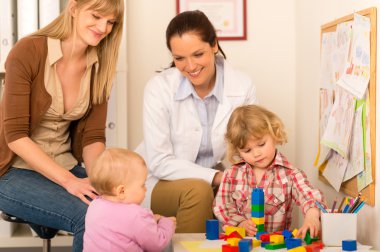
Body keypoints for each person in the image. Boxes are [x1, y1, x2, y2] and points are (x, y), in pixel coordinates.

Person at [0, 0, 124, 251]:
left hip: (64, 165)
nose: (103, 27)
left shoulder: (100, 64)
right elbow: (15, 136)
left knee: (123, 212)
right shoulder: (28, 50)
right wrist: (71, 182)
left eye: (111, 22)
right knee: (91, 218)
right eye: (97, 16)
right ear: (74, 8)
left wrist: (100, 182)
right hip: (13, 170)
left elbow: (92, 137)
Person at [136, 10, 257, 233]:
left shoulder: (242, 86)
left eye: (198, 54)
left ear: (214, 45)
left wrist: (244, 180)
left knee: (254, 195)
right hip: (159, 180)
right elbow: (160, 161)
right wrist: (218, 177)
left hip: (215, 178)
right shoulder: (159, 88)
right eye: (179, 58)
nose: (190, 67)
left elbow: (248, 147)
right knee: (199, 191)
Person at [213, 105, 326, 238]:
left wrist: (312, 217)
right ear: (238, 151)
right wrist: (240, 223)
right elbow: (222, 206)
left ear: (274, 134)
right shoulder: (231, 175)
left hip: (274, 245)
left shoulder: (290, 174)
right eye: (247, 150)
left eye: (261, 144)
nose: (256, 153)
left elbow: (309, 196)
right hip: (241, 244)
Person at [84, 148, 176, 252]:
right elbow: (157, 243)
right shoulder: (137, 215)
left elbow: (120, 225)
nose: (145, 189)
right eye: (142, 185)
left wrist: (151, 220)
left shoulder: (94, 205)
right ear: (122, 191)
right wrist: (167, 224)